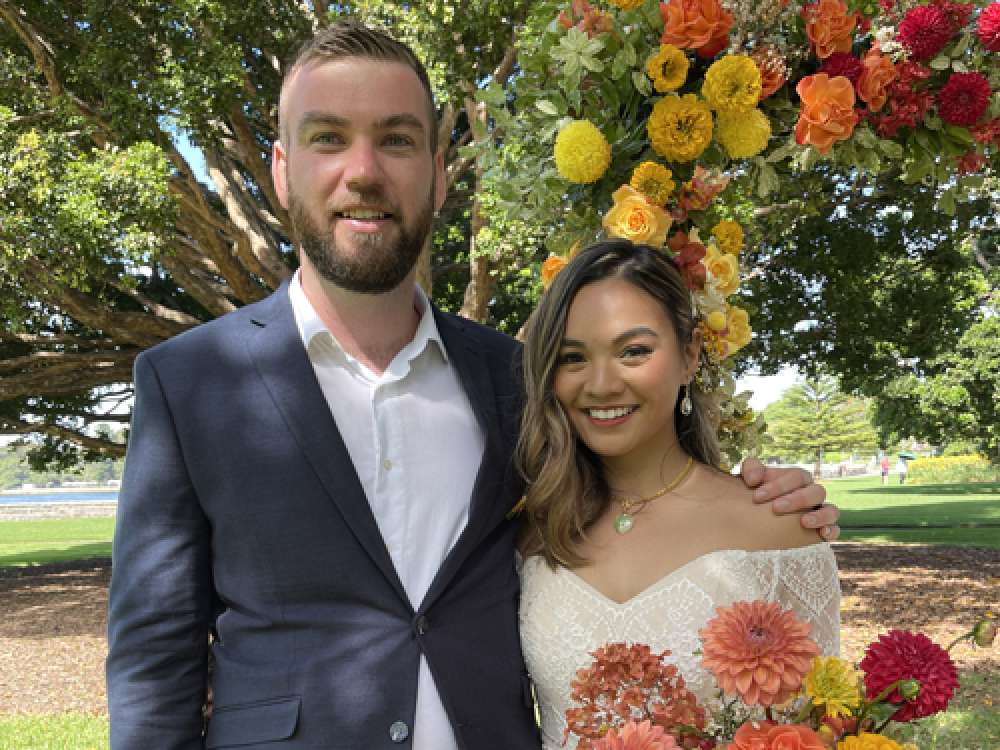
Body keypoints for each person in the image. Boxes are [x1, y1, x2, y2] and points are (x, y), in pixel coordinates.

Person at [106, 21, 839, 750]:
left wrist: (762, 502)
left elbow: (630, 488)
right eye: (328, 137)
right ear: (281, 167)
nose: (363, 171)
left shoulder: (515, 377)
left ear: (437, 170)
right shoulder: (187, 383)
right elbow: (153, 663)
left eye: (396, 140)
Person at [516, 241, 842, 749]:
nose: (601, 384)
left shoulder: (777, 526)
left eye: (634, 351)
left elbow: (820, 729)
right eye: (572, 357)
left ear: (689, 357)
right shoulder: (532, 533)